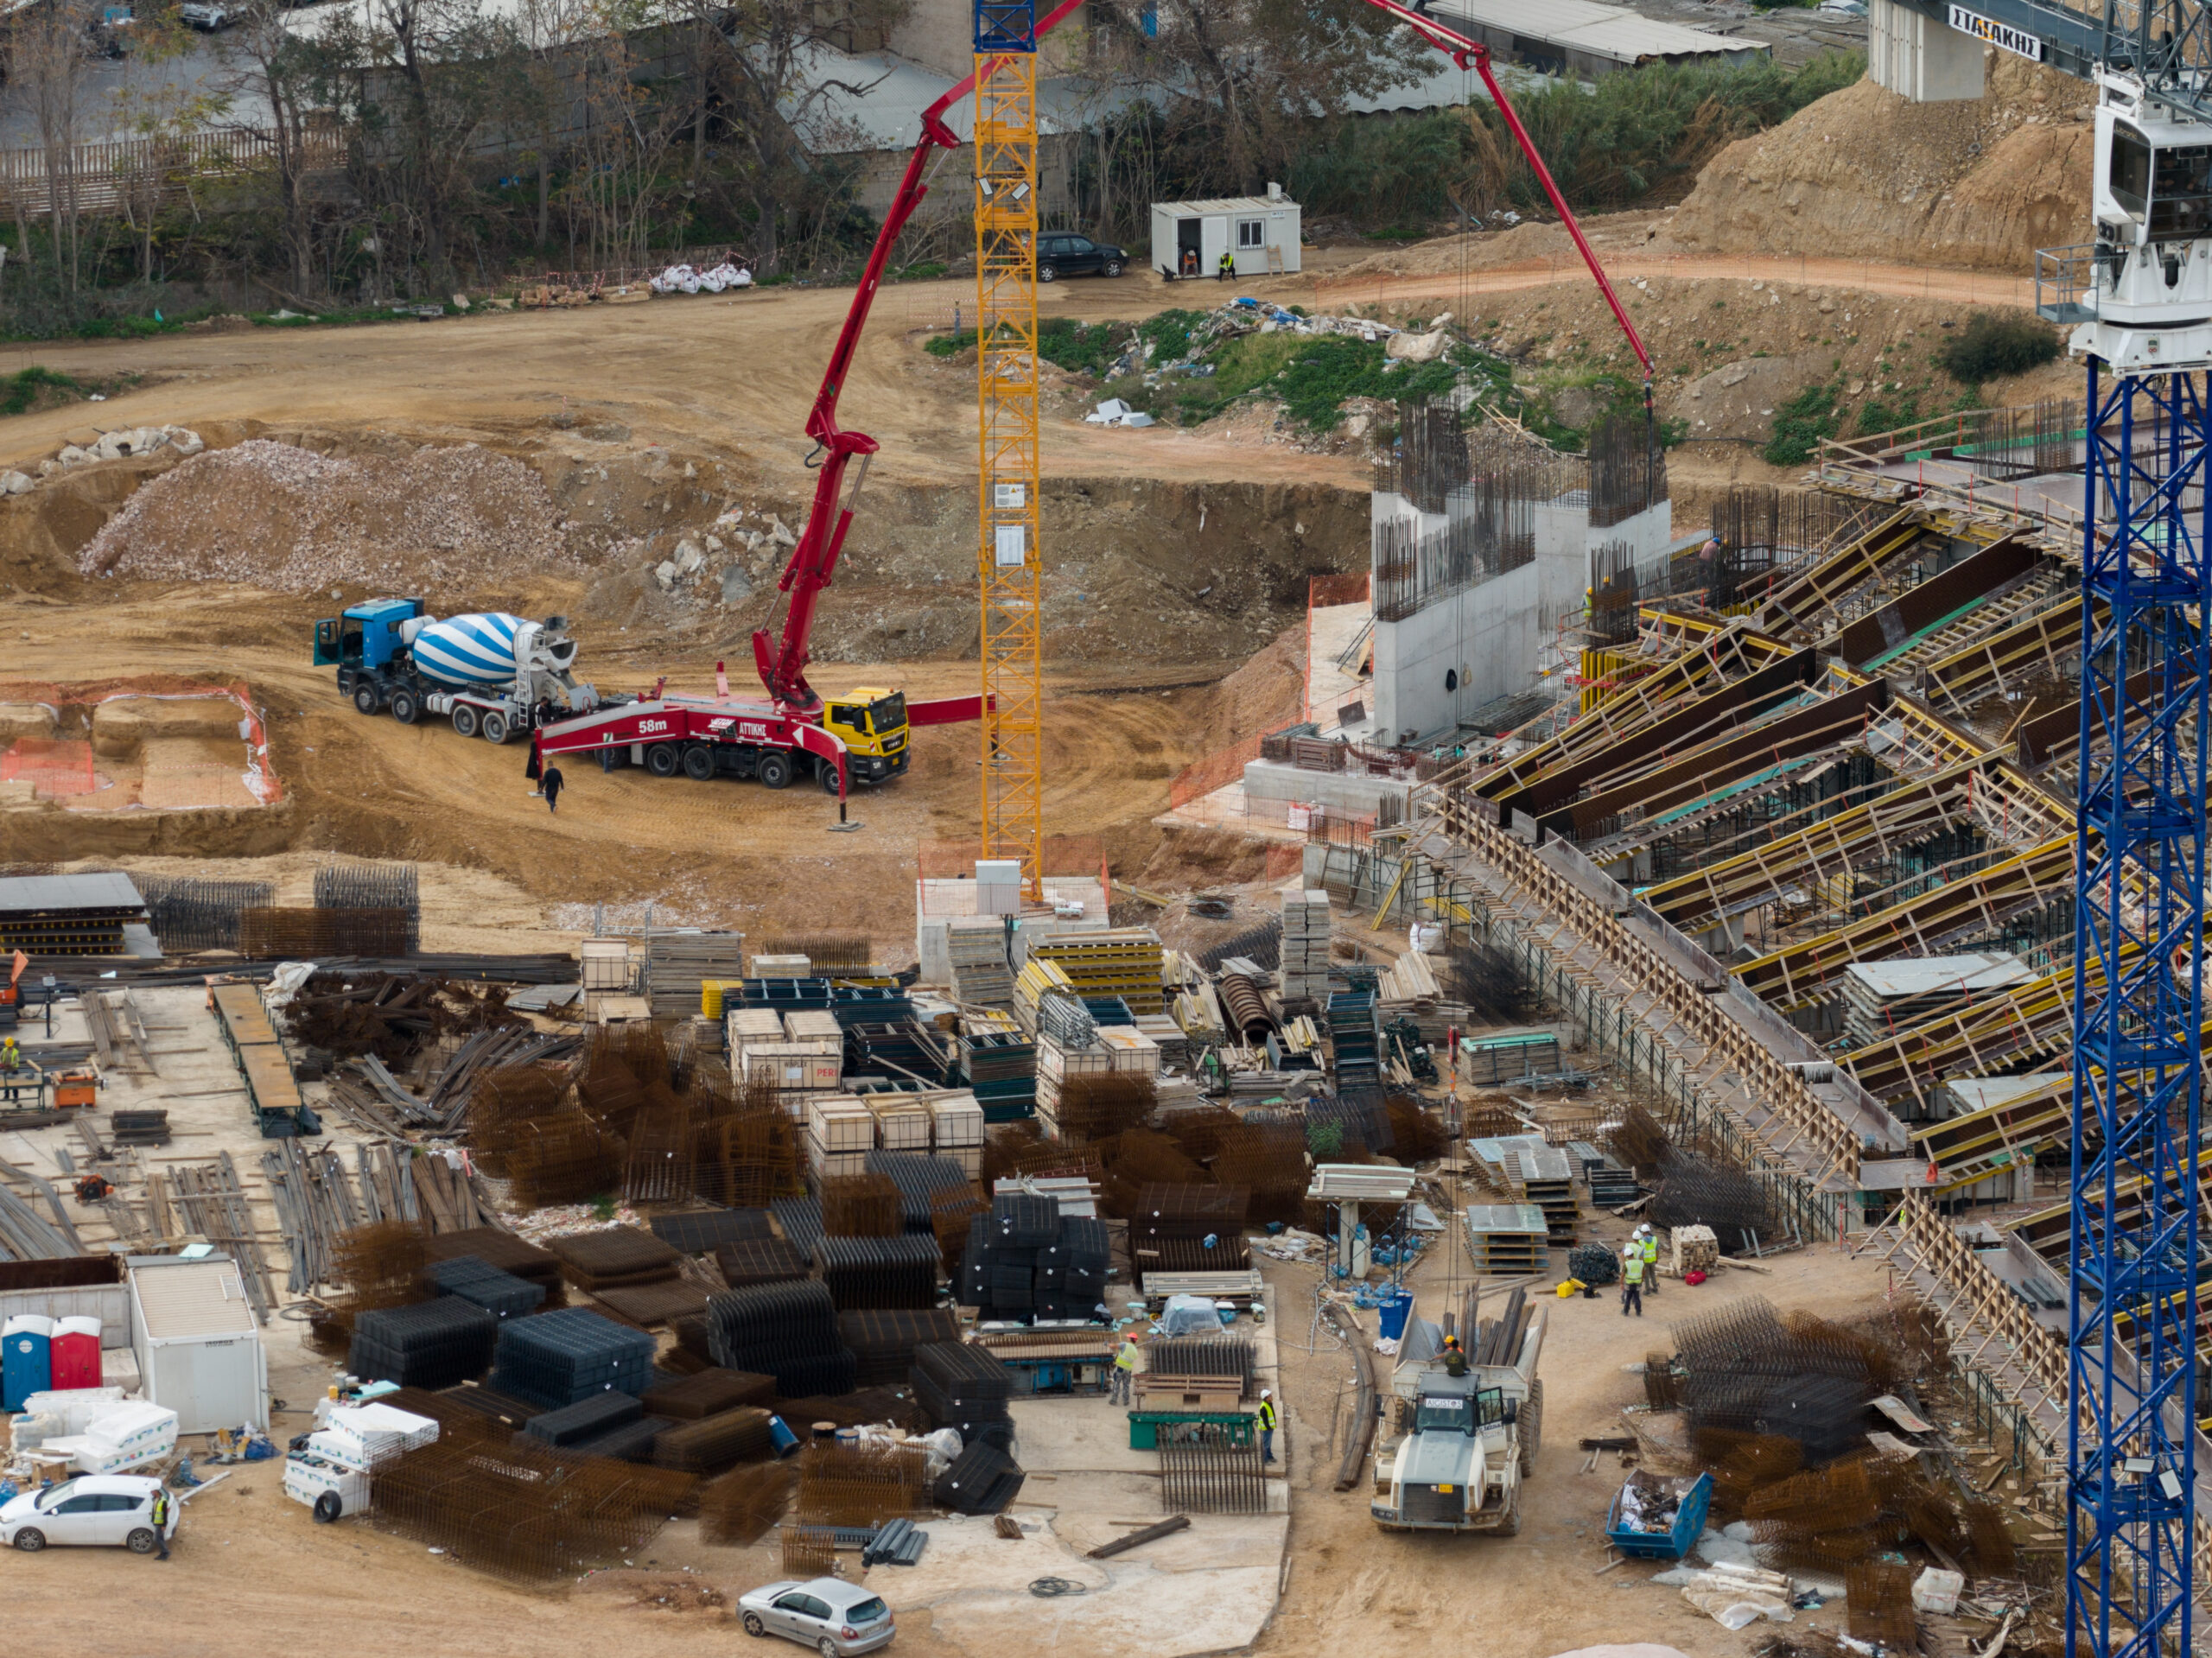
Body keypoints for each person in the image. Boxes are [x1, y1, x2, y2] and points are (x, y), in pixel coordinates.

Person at [1110, 1335, 1138, 1406]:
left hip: (1120, 1368)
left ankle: (1114, 1400)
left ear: (1130, 1339)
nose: (1127, 1338)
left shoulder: (1124, 1344)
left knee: (1116, 1383)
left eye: (1128, 1337)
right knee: (1126, 1385)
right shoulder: (1135, 1350)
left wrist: (1108, 1344)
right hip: (1128, 1370)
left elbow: (1113, 1346)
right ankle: (1126, 1401)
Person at [1621, 1244, 1644, 1318]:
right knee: (1637, 1298)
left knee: (1628, 1298)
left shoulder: (1627, 1264)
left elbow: (1622, 1275)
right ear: (1633, 1254)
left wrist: (1621, 1283)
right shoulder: (1640, 1263)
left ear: (1627, 1256)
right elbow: (1644, 1272)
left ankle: (1625, 1311)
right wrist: (1641, 1279)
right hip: (1638, 1283)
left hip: (1629, 1284)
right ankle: (1638, 1312)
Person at [149, 1487, 171, 1560]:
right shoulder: (156, 1499)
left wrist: (164, 1525)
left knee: (156, 1539)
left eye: (152, 1491)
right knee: (161, 1538)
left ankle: (166, 1552)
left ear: (156, 1491)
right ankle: (163, 1553)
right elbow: (156, 1509)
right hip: (156, 1522)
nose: (151, 1493)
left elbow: (165, 1514)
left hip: (160, 1523)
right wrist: (152, 1513)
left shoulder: (163, 1501)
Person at [1256, 1389, 1278, 1464]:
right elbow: (1265, 1420)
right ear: (1266, 1398)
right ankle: (1264, 1460)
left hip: (1269, 1428)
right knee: (1266, 1444)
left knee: (1268, 1444)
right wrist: (1269, 1428)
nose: (1271, 1397)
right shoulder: (1263, 1407)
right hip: (1266, 1429)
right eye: (1269, 1396)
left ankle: (1269, 1456)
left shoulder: (1269, 1404)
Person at [1639, 1225, 1661, 1297]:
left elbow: (1641, 1253)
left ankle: (1648, 1290)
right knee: (1653, 1274)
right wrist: (1657, 1259)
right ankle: (1655, 1288)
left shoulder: (1641, 1241)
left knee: (1646, 1276)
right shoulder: (1655, 1239)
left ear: (1642, 1232)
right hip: (1653, 1260)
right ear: (1649, 1231)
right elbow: (1657, 1250)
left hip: (1645, 1261)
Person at [0, 1035, 21, 1102]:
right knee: (7, 1083)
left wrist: (10, 1064)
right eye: (8, 1045)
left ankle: (15, 1097)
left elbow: (16, 1060)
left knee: (14, 1084)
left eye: (10, 1045)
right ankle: (6, 1096)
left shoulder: (15, 1052)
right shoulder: (4, 1050)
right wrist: (1, 1063)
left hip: (14, 1069)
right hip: (6, 1069)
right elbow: (0, 1057)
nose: (9, 1047)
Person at [525, 731, 543, 795]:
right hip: (535, 760)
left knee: (538, 775)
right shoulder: (535, 743)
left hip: (534, 760)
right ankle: (540, 789)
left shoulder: (534, 743)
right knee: (538, 775)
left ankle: (540, 789)